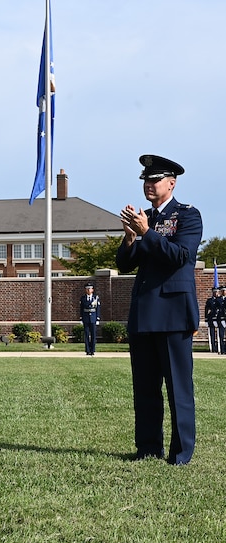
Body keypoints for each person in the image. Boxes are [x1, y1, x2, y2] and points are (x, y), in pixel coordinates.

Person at [117, 154, 202, 465]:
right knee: (145, 388)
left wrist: (146, 233)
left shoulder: (187, 216)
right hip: (144, 313)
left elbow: (180, 256)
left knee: (178, 388)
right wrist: (129, 238)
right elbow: (125, 264)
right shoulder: (146, 220)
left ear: (171, 183)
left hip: (173, 313)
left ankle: (181, 454)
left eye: (155, 180)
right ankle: (148, 449)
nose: (149, 185)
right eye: (146, 181)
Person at [79, 282, 100, 356]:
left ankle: (93, 350)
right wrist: (81, 318)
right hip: (86, 318)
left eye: (90, 289)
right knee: (87, 334)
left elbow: (98, 309)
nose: (88, 290)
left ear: (92, 290)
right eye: (87, 289)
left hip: (93, 318)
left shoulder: (95, 298)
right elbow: (81, 309)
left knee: (93, 335)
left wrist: (97, 318)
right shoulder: (83, 298)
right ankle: (87, 350)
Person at [204, 286, 219, 353]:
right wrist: (206, 319)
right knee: (212, 334)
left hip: (219, 319)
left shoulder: (220, 300)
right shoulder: (209, 301)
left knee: (219, 334)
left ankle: (219, 347)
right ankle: (213, 347)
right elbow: (207, 310)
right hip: (211, 319)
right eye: (214, 292)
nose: (216, 293)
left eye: (217, 292)